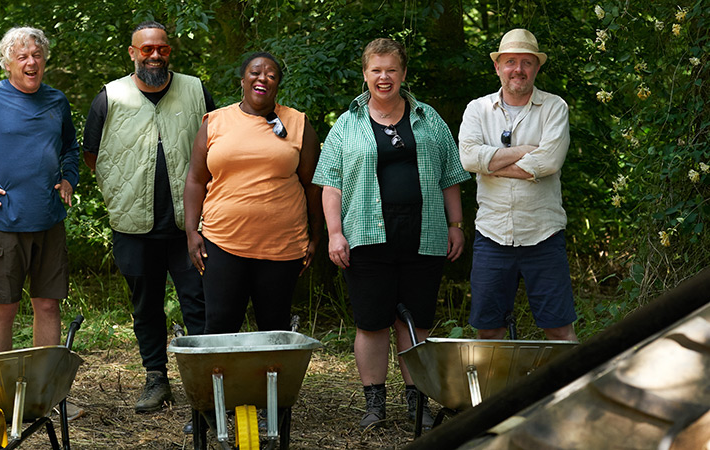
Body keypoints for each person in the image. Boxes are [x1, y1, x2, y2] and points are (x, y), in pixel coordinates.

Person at [313, 38, 470, 430]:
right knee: (371, 322)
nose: (384, 78)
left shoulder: (429, 118)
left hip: (425, 233)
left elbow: (451, 175)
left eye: (392, 70)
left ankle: (419, 403)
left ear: (403, 73)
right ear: (365, 74)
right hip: (366, 235)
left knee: (417, 321)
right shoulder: (347, 124)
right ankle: (375, 404)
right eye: (376, 70)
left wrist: (455, 225)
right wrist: (335, 233)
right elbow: (329, 184)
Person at [82, 21, 211, 415]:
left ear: (169, 51)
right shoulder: (110, 96)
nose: (155, 55)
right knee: (146, 306)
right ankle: (156, 378)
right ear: (132, 52)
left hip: (190, 225)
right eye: (147, 49)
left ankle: (205, 387)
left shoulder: (195, 90)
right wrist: (119, 188)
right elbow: (91, 153)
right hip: (132, 224)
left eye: (162, 49)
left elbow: (218, 144)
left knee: (198, 303)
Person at [0, 27, 79, 355]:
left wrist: (69, 178)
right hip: (4, 224)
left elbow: (71, 146)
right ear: (7, 63)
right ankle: (0, 394)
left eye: (37, 55)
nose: (31, 62)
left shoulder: (56, 100)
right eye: (22, 56)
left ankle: (44, 396)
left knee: (48, 306)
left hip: (49, 220)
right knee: (4, 308)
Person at [184, 51, 322, 334]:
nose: (263, 78)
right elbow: (196, 180)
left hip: (282, 248)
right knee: (220, 329)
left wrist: (317, 235)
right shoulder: (215, 122)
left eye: (271, 75)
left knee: (274, 331)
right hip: (221, 244)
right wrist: (190, 232)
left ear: (277, 85)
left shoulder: (298, 124)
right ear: (243, 80)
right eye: (256, 73)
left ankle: (270, 380)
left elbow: (313, 185)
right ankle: (222, 380)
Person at [458, 28, 578, 342]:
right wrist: (523, 153)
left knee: (559, 327)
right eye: (510, 61)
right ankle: (495, 393)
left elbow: (549, 163)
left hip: (544, 234)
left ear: (537, 68)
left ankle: (573, 391)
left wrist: (492, 165)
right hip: (492, 235)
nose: (518, 69)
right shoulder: (478, 109)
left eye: (526, 62)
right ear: (498, 67)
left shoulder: (554, 108)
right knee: (488, 329)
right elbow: (469, 159)